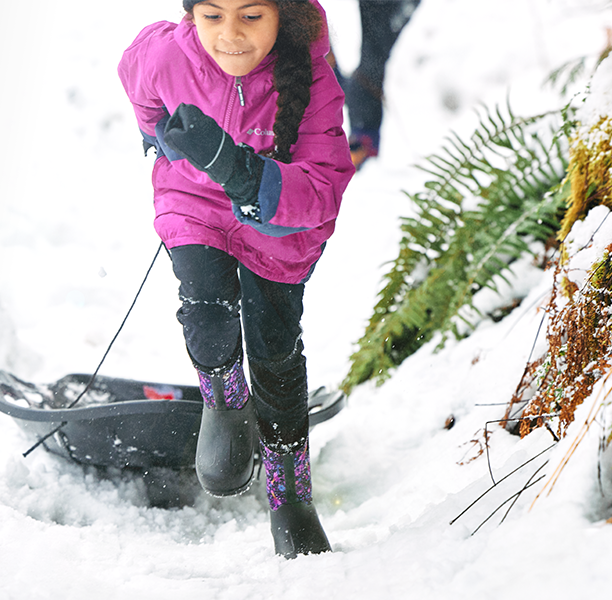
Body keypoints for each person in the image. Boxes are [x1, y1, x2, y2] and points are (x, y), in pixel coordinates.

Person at [118, 0, 353, 558]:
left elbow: (323, 188)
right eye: (212, 15)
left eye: (251, 16)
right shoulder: (167, 54)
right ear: (192, 15)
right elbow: (135, 76)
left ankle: (291, 498)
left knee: (274, 349)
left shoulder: (311, 79)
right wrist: (160, 134)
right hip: (193, 201)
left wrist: (236, 167)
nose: (230, 35)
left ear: (282, 15)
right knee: (206, 305)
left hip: (277, 221)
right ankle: (224, 403)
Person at [341, 0, 421, 167]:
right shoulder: (366, 140)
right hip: (368, 84)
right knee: (378, 32)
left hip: (365, 85)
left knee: (376, 29)